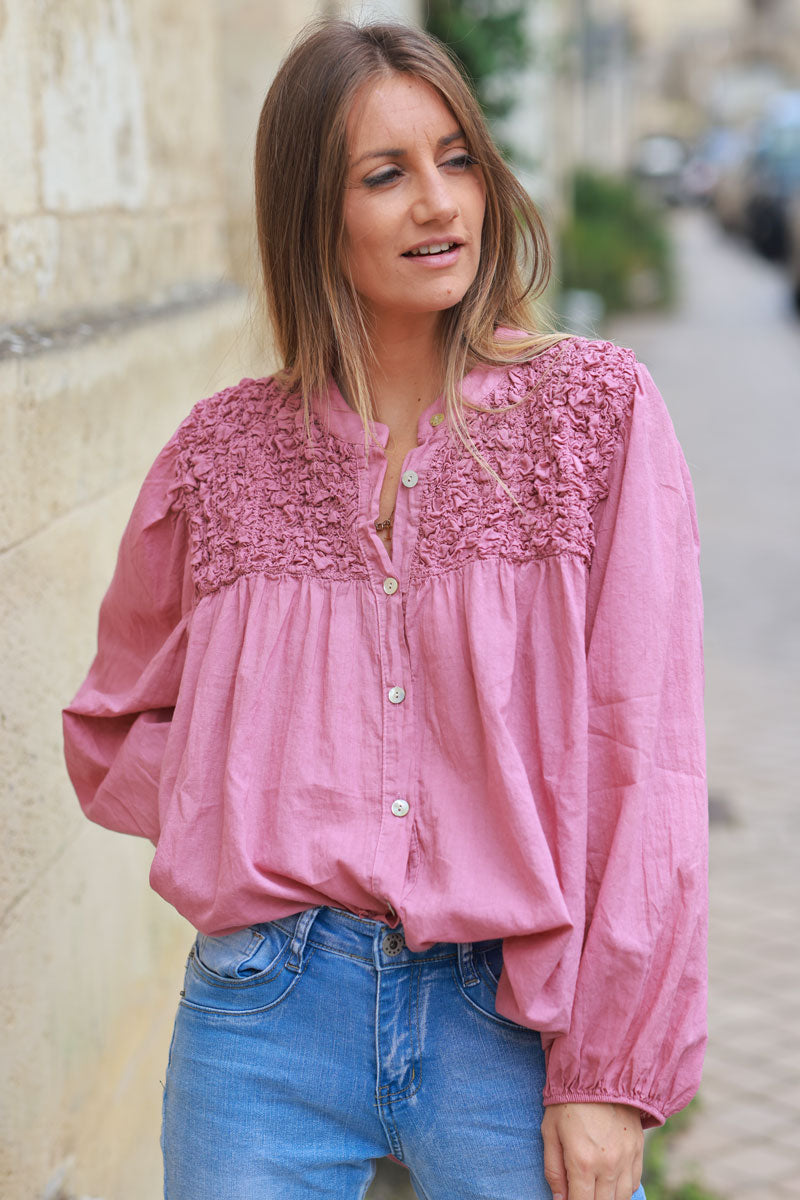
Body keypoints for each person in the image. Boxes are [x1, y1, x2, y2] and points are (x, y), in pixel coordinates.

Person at [62, 17, 708, 1200]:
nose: (438, 203)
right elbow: (111, 726)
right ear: (314, 211)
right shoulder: (220, 457)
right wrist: (238, 797)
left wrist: (607, 1071)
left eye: (457, 159)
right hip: (265, 1021)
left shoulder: (594, 419)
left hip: (506, 1017)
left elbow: (646, 762)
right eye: (385, 174)